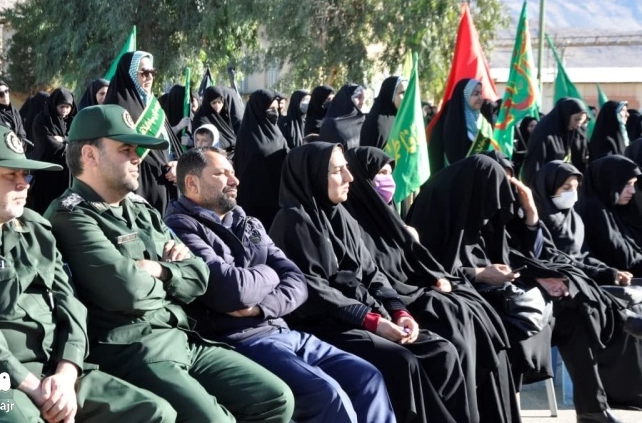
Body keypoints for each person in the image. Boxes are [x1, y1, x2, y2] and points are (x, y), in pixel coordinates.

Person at [0, 125, 176, 423]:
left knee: (154, 413)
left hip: (51, 376)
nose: (24, 184)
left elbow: (70, 304)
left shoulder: (34, 228)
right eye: (11, 175)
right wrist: (33, 387)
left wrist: (66, 373)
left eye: (26, 175)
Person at [44, 105, 295, 422]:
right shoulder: (71, 215)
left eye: (137, 150)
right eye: (125, 149)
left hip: (183, 337)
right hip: (135, 350)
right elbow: (129, 292)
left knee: (276, 398)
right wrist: (175, 275)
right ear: (90, 155)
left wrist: (161, 270)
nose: (138, 158)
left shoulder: (140, 209)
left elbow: (200, 276)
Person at [165, 147, 396, 423]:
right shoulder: (180, 228)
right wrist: (270, 273)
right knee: (327, 394)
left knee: (367, 377)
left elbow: (298, 282)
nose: (234, 180)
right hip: (240, 341)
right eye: (221, 174)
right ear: (192, 184)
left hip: (281, 328)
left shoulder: (247, 222)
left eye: (232, 172)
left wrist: (260, 308)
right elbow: (232, 291)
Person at [407, 154, 640, 423]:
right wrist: (479, 274)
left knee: (572, 308)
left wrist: (530, 215)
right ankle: (618, 316)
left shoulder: (484, 212)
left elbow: (516, 254)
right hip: (472, 305)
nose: (503, 197)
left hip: (504, 298)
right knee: (549, 309)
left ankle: (592, 410)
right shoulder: (437, 213)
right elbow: (429, 273)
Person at [270, 142, 469, 423]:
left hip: (365, 317)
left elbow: (372, 273)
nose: (349, 177)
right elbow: (313, 289)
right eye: (337, 171)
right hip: (327, 325)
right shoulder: (293, 221)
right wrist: (372, 321)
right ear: (312, 176)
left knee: (442, 350)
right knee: (402, 362)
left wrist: (399, 311)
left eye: (347, 169)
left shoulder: (342, 217)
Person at [344, 147, 521, 423]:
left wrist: (436, 276)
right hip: (391, 303)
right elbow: (372, 275)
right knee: (455, 333)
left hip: (411, 293)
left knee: (475, 315)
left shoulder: (387, 214)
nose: (388, 181)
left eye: (390, 173)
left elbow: (417, 263)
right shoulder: (350, 220)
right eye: (381, 173)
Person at [531, 159, 642, 409]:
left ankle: (630, 388)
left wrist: (610, 272)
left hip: (583, 280)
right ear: (549, 188)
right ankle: (621, 391)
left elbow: (583, 255)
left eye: (575, 188)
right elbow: (556, 260)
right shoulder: (539, 220)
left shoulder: (574, 218)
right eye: (565, 188)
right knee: (607, 308)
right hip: (559, 289)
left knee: (632, 299)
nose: (572, 194)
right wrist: (604, 273)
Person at [104, 51, 180, 214]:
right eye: (144, 73)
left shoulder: (153, 106)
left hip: (165, 187)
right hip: (136, 190)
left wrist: (176, 164)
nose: (150, 77)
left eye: (152, 72)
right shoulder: (115, 109)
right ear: (130, 75)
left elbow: (169, 147)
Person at [235, 89, 290, 230]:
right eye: (270, 109)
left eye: (276, 109)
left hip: (277, 196)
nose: (275, 112)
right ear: (259, 109)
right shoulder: (247, 135)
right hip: (255, 200)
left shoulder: (275, 131)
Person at [578, 154, 642, 276]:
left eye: (634, 184)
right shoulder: (594, 210)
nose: (632, 191)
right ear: (608, 181)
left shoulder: (622, 208)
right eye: (626, 184)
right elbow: (624, 260)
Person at [28, 87, 76, 214]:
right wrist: (68, 145)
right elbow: (48, 144)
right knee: (43, 206)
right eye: (61, 106)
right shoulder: (42, 119)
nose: (65, 110)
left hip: (65, 173)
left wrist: (63, 139)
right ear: (54, 105)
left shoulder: (72, 121)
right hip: (46, 170)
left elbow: (78, 141)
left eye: (68, 107)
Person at [520, 98, 589, 184]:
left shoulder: (573, 132)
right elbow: (533, 166)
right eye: (576, 119)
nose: (578, 124)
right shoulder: (544, 132)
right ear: (566, 115)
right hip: (546, 184)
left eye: (582, 121)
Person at [440, 78, 493, 165]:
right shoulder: (455, 123)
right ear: (465, 96)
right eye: (476, 94)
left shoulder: (484, 123)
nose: (480, 98)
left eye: (481, 93)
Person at [360, 76, 407, 149]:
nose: (407, 97)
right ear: (390, 94)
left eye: (408, 93)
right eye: (403, 93)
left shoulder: (400, 119)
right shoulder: (379, 125)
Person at [0, 78, 30, 150]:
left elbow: (22, 134)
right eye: (0, 94)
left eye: (7, 91)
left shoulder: (14, 112)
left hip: (17, 150)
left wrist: (19, 142)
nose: (5, 95)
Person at [192, 86, 237, 156]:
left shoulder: (224, 117)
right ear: (207, 102)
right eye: (213, 102)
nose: (217, 106)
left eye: (219, 102)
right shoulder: (201, 119)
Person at [319, 84, 367, 149]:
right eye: (358, 97)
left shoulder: (364, 121)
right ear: (345, 98)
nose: (362, 102)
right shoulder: (331, 125)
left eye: (363, 98)